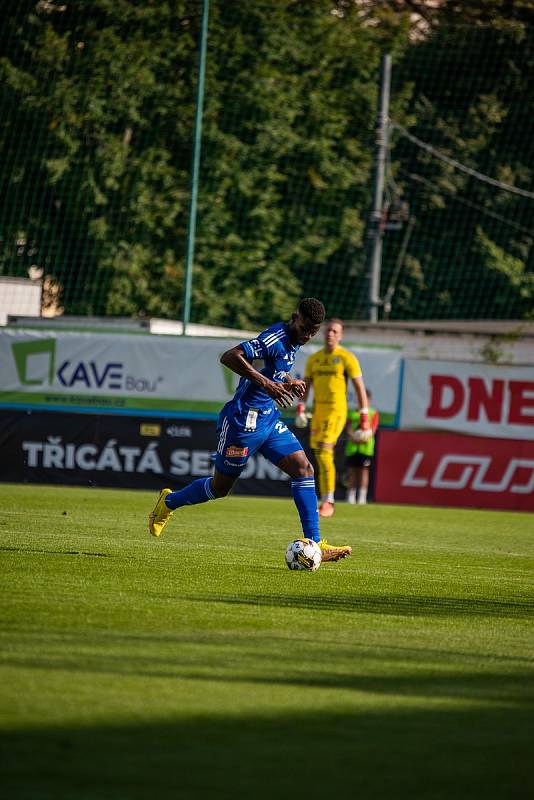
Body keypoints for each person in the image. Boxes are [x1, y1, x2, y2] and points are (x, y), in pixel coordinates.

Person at [148, 298, 352, 562]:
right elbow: (230, 356)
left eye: (314, 332)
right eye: (305, 329)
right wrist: (267, 384)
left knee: (304, 469)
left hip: (269, 421)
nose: (308, 336)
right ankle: (168, 502)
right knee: (220, 488)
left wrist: (288, 381)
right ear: (295, 317)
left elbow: (271, 367)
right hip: (243, 423)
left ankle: (314, 543)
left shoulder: (293, 342)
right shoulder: (274, 337)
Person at [295, 318, 370, 518]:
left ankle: (329, 500)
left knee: (325, 451)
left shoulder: (347, 358)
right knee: (319, 454)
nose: (331, 334)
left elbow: (359, 388)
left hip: (336, 411)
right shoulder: (314, 359)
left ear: (341, 335)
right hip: (318, 411)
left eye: (335, 331)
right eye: (328, 331)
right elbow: (306, 386)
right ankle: (323, 498)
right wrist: (301, 408)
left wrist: (364, 417)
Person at [344, 390, 379, 505]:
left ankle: (362, 497)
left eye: (366, 399)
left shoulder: (373, 413)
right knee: (352, 472)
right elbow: (348, 427)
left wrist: (364, 437)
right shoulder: (351, 413)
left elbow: (373, 430)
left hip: (366, 448)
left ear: (369, 400)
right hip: (352, 447)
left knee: (364, 472)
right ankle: (351, 496)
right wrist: (353, 436)